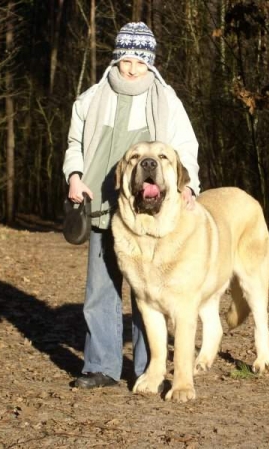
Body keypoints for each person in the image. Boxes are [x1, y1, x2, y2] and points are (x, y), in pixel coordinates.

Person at [63, 22, 200, 389]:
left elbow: (186, 146)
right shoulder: (92, 97)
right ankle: (101, 366)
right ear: (116, 58)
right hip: (99, 202)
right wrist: (75, 175)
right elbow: (75, 142)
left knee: (147, 291)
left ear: (150, 63)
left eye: (140, 62)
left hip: (147, 211)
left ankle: (147, 369)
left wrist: (190, 186)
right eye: (126, 60)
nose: (133, 68)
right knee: (100, 289)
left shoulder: (166, 98)